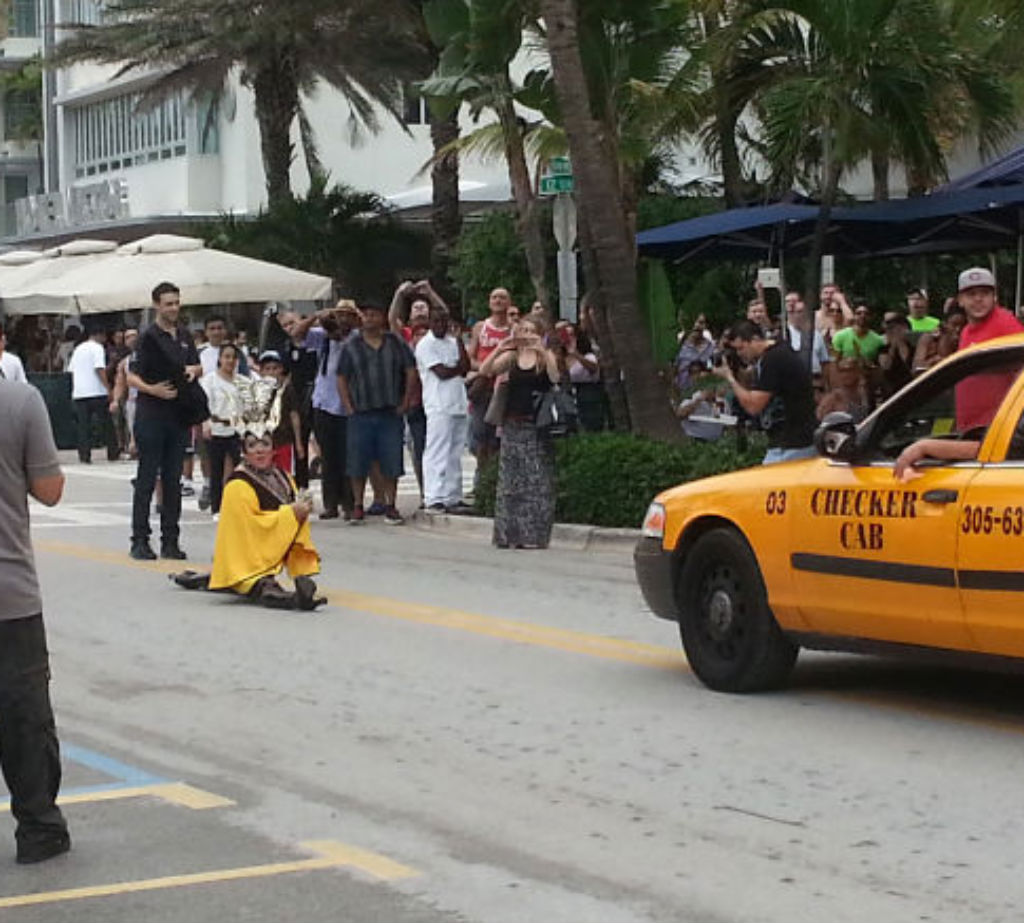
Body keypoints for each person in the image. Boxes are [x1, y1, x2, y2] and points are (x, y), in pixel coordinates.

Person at [0, 374, 71, 863]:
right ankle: (39, 827)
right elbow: (49, 490)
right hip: (9, 594)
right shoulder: (19, 399)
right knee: (24, 719)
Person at [170, 426, 326, 612]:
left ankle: (297, 578)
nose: (259, 450)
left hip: (266, 550)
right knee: (262, 585)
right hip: (243, 556)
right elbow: (252, 528)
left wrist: (302, 508)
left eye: (265, 444)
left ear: (273, 449)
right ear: (244, 452)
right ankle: (293, 600)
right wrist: (291, 513)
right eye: (252, 446)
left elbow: (291, 521)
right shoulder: (237, 484)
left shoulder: (284, 478)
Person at [127, 281, 203, 561]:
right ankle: (140, 540)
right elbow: (132, 374)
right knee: (147, 477)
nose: (173, 308)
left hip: (178, 414)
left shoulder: (184, 335)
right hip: (152, 413)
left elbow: (197, 365)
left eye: (176, 302)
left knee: (173, 479)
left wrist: (194, 370)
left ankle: (170, 540)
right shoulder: (148, 337)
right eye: (168, 303)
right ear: (157, 305)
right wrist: (152, 389)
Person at [479, 315, 561, 549]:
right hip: (513, 424)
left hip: (536, 426)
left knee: (536, 482)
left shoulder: (544, 358)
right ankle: (508, 535)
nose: (525, 334)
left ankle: (533, 535)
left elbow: (555, 377)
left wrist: (542, 350)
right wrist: (500, 347)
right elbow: (486, 370)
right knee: (511, 482)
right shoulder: (512, 357)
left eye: (530, 330)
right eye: (522, 329)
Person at [337, 303, 418, 525]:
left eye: (374, 314)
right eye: (366, 315)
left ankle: (391, 505)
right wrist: (348, 406)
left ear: (382, 317)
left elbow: (410, 369)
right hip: (360, 412)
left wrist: (406, 400)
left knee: (391, 459)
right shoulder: (350, 346)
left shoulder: (395, 342)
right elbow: (342, 377)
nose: (370, 319)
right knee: (357, 461)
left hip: (389, 411)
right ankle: (357, 506)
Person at [719, 320, 818, 464]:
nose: (740, 354)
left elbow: (753, 406)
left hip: (792, 444)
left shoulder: (773, 360)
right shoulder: (778, 352)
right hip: (795, 439)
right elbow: (759, 386)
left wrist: (730, 378)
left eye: (741, 348)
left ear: (755, 339)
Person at [416, 305, 472, 512]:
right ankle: (434, 495)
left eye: (444, 321)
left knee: (455, 452)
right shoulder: (425, 344)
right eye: (436, 321)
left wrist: (458, 341)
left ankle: (452, 495)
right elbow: (442, 372)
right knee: (437, 451)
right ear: (430, 322)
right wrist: (457, 369)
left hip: (458, 402)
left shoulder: (452, 342)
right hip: (438, 404)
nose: (441, 325)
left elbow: (465, 367)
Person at [954, 266, 1024, 431]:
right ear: (960, 300)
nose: (978, 299)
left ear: (995, 297)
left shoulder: (1005, 324)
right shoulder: (966, 331)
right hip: (974, 427)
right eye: (971, 294)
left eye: (985, 293)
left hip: (997, 429)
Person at [467, 288, 514, 471]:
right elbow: (469, 357)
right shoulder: (480, 327)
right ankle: (482, 478)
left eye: (502, 297)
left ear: (509, 302)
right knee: (480, 435)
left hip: (504, 387)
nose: (498, 300)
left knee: (498, 438)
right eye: (494, 297)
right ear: (489, 302)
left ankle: (497, 476)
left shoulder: (514, 329)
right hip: (484, 386)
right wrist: (485, 368)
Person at [200, 343, 245, 516]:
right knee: (216, 471)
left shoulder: (242, 381)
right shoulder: (210, 380)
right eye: (227, 357)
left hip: (237, 430)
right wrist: (206, 424)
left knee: (238, 470)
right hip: (216, 429)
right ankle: (217, 508)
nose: (230, 361)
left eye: (233, 357)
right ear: (220, 359)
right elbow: (204, 405)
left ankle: (237, 505)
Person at [277, 311, 318, 489]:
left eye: (291, 323)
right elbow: (284, 375)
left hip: (318, 395)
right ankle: (302, 488)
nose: (289, 328)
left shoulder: (317, 340)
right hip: (298, 399)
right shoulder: (286, 347)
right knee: (299, 445)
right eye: (285, 325)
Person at [68, 323, 118, 464]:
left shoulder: (78, 349)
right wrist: (108, 388)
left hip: (80, 392)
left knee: (83, 426)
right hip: (96, 391)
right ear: (100, 335)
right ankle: (112, 451)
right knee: (106, 423)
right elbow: (99, 369)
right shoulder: (97, 348)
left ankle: (84, 455)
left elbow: (71, 370)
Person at [257, 350, 303, 475]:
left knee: (285, 473)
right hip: (263, 443)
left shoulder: (287, 390)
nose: (271, 372)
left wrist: (298, 442)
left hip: (284, 440)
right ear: (261, 371)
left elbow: (294, 415)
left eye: (275, 368)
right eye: (267, 369)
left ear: (281, 369)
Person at [784, 292, 832, 392]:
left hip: (816, 382)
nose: (797, 315)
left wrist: (827, 386)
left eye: (800, 312)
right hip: (793, 383)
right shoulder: (785, 334)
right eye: (794, 312)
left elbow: (825, 363)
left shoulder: (816, 335)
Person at [676, 361, 729, 441]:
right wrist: (699, 400)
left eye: (700, 372)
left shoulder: (722, 401)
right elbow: (680, 414)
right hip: (695, 439)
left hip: (717, 441)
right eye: (693, 373)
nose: (697, 376)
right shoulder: (690, 396)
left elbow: (727, 423)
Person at [913, 303, 966, 373]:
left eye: (962, 326)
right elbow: (916, 367)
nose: (958, 329)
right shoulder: (929, 338)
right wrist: (931, 362)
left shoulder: (966, 339)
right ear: (945, 324)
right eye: (954, 325)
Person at [816, 357, 871, 422]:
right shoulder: (833, 398)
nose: (846, 375)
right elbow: (820, 419)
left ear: (857, 372)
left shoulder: (863, 394)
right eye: (842, 371)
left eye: (849, 370)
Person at [877, 312, 914, 398]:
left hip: (911, 387)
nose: (893, 332)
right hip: (892, 391)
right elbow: (885, 366)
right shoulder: (883, 350)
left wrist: (901, 343)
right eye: (889, 329)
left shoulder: (914, 348)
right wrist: (893, 346)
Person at [673, 317, 715, 392]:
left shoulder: (710, 348)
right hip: (682, 393)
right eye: (693, 322)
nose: (696, 325)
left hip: (702, 393)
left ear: (705, 326)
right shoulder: (680, 345)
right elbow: (673, 369)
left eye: (701, 322)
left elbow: (710, 367)